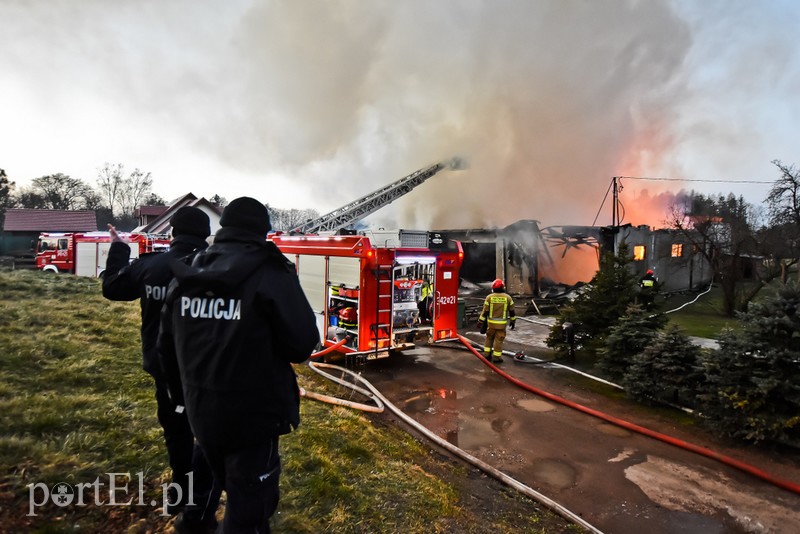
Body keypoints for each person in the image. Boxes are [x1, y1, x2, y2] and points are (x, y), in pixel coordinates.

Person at [158, 197, 320, 533]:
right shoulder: (271, 272)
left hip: (200, 412)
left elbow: (166, 347)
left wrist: (183, 398)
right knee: (249, 513)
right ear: (263, 231)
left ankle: (192, 526)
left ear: (223, 227)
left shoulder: (189, 271)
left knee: (206, 483)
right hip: (254, 418)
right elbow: (302, 343)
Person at [102, 206, 220, 532]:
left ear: (172, 233)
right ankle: (201, 503)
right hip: (208, 372)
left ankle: (180, 494)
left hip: (165, 372)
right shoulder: (218, 268)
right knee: (208, 436)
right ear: (206, 235)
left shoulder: (151, 266)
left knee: (176, 432)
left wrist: (119, 248)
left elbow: (112, 287)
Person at [477, 278, 516, 363]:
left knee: (489, 338)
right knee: (499, 340)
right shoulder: (508, 298)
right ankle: (497, 358)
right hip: (501, 325)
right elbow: (512, 311)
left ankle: (486, 355)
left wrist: (480, 321)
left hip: (491, 324)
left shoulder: (489, 297)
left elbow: (485, 311)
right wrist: (513, 321)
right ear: (503, 287)